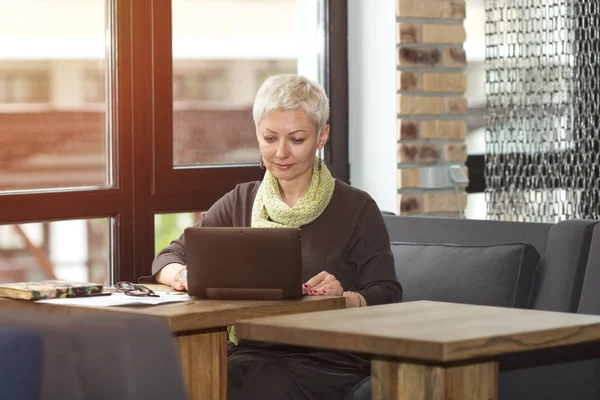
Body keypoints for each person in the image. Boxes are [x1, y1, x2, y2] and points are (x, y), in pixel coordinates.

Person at [151, 74, 402, 400]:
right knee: (185, 375)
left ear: (321, 136)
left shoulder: (357, 208)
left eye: (296, 139)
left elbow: (388, 294)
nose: (281, 152)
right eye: (270, 138)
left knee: (254, 384)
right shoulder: (240, 201)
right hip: (250, 353)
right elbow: (166, 259)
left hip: (326, 357)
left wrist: (344, 298)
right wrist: (186, 275)